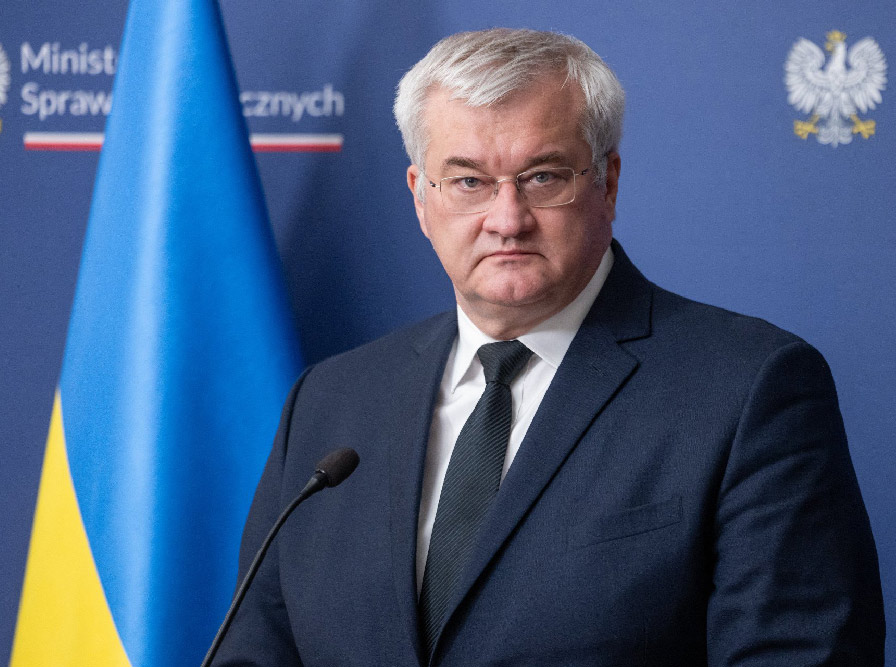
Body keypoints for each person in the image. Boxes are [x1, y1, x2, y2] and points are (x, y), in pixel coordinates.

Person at [217, 28, 884, 666]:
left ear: (607, 183)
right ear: (421, 197)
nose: (507, 219)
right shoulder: (330, 400)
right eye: (469, 181)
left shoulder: (747, 389)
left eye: (543, 177)